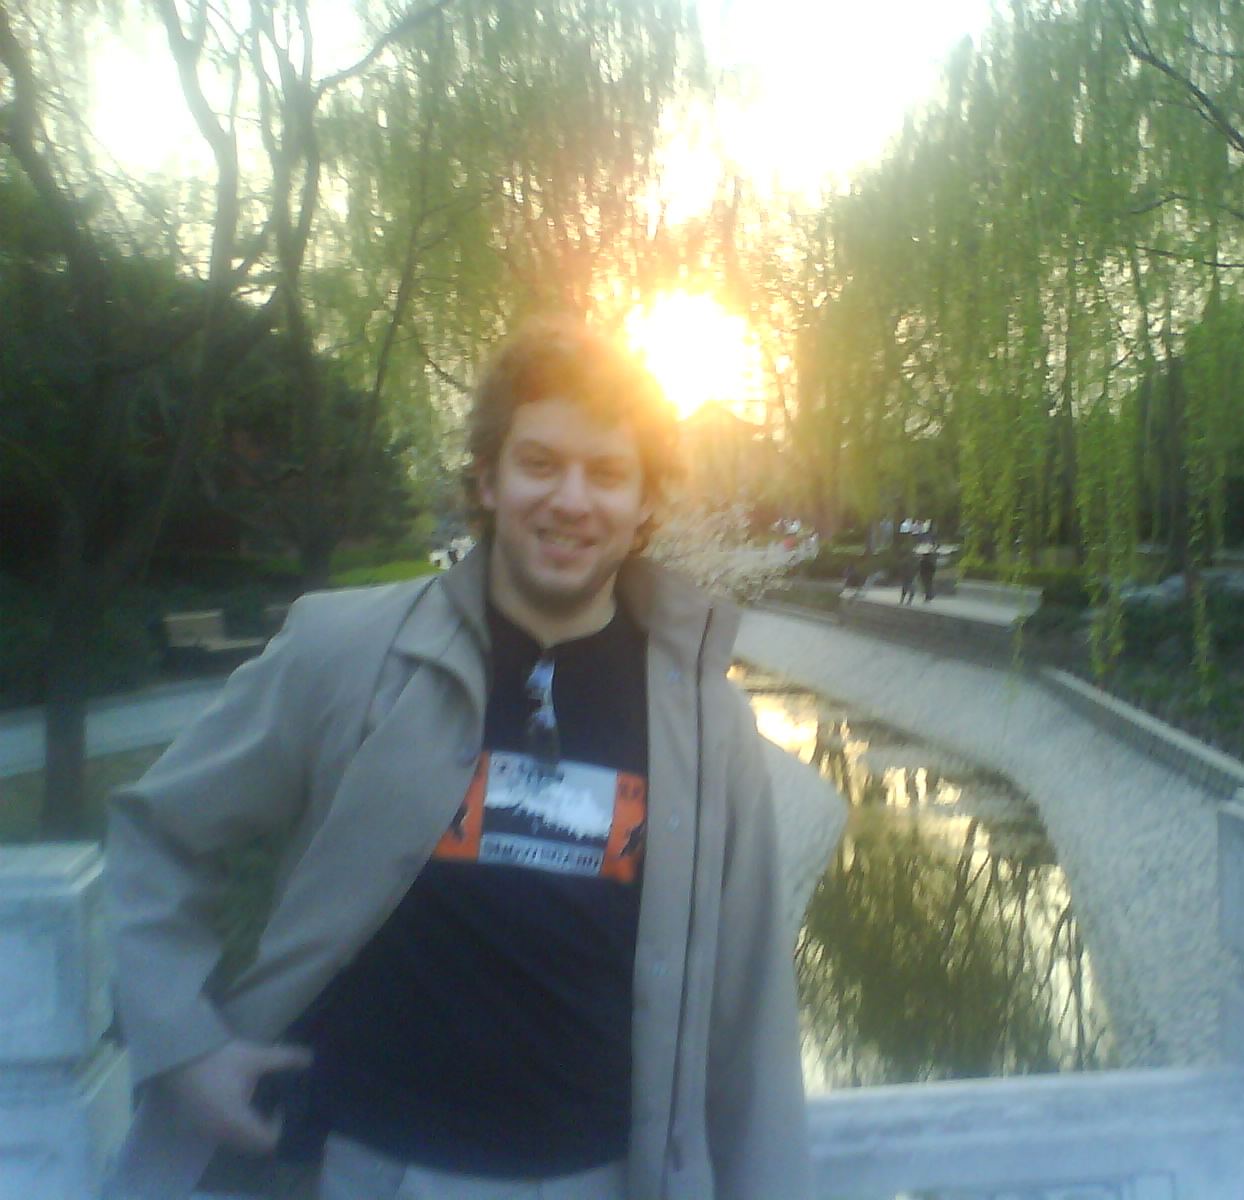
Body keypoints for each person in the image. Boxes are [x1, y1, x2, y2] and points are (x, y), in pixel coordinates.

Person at [103, 316, 813, 1200]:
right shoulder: (345, 654)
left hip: (602, 1178)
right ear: (487, 477)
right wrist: (181, 1044)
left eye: (606, 473)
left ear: (644, 504)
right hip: (368, 1171)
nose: (571, 500)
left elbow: (749, 1012)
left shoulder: (709, 725)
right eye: (540, 463)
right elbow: (159, 835)